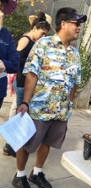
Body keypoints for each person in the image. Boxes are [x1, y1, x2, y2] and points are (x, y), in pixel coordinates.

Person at [12, 7, 87, 188]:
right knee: (27, 142)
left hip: (61, 111)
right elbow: (32, 74)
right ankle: (19, 175)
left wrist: (69, 104)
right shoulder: (43, 44)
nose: (79, 28)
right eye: (76, 23)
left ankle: (36, 172)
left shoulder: (75, 54)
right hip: (39, 107)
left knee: (47, 142)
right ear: (64, 24)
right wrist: (26, 103)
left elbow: (74, 83)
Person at [3, 12, 53, 157]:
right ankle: (10, 145)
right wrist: (35, 64)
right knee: (20, 114)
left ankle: (12, 144)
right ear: (35, 28)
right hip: (20, 82)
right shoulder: (25, 40)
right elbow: (15, 62)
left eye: (45, 35)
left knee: (18, 112)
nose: (43, 37)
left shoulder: (36, 42)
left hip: (26, 83)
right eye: (42, 33)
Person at [0, 0, 19, 109]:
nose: (2, 14)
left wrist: (3, 64)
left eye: (2, 8)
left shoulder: (5, 34)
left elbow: (15, 63)